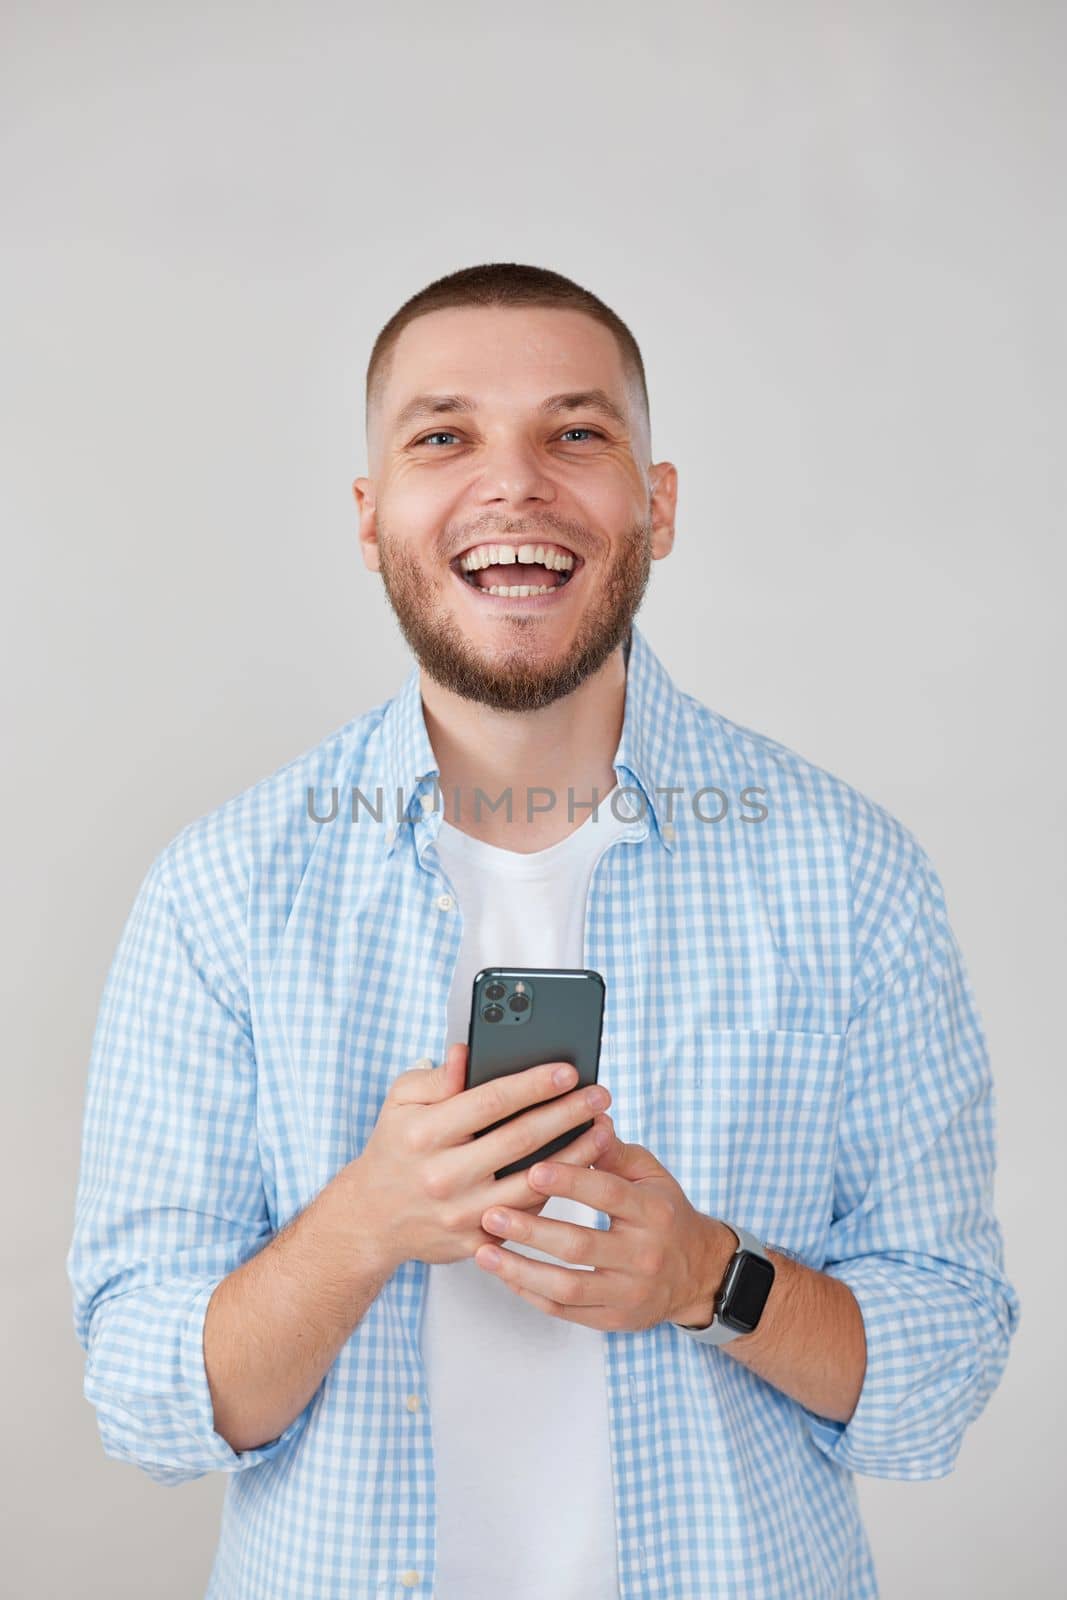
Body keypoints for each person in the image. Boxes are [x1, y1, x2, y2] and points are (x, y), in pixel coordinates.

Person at [66, 262, 1021, 1600]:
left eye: (575, 432)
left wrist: (710, 1276)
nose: (513, 485)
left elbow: (945, 1370)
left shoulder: (849, 877)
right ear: (369, 513)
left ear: (658, 502)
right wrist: (366, 1223)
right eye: (443, 435)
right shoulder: (219, 892)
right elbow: (145, 1398)